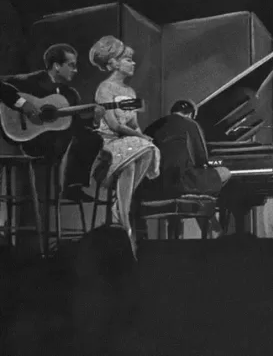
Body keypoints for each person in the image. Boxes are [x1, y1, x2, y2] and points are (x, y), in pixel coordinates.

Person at [0, 44, 104, 201]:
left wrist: (96, 119)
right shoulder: (29, 81)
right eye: (71, 65)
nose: (75, 70)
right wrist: (25, 105)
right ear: (56, 66)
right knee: (66, 135)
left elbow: (77, 126)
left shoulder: (70, 95)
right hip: (31, 140)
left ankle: (73, 186)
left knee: (92, 137)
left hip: (55, 143)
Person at [141, 100, 261, 235]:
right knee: (224, 173)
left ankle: (213, 228)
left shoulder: (153, 126)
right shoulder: (191, 124)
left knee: (205, 182)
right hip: (182, 182)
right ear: (191, 114)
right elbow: (201, 158)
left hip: (153, 186)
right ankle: (217, 228)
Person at [88, 35, 160, 242]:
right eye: (128, 59)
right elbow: (113, 124)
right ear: (114, 63)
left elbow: (133, 123)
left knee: (148, 148)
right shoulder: (104, 88)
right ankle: (123, 213)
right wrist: (139, 135)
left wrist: (141, 134)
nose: (133, 63)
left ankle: (120, 206)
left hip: (127, 142)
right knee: (131, 160)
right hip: (107, 144)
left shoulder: (130, 91)